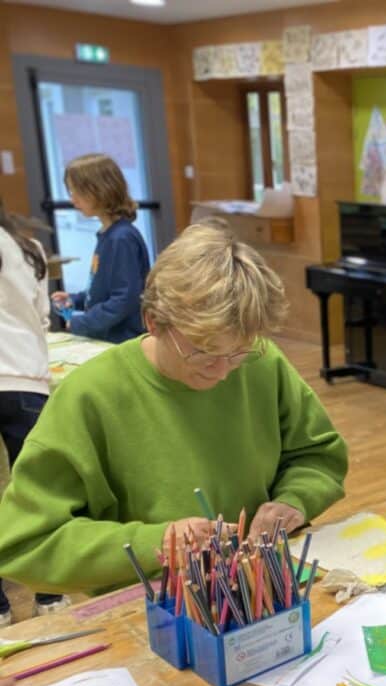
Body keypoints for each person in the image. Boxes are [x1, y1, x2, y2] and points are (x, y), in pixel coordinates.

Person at [0, 219, 348, 593]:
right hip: (151, 604)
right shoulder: (89, 396)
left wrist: (294, 500)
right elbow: (25, 543)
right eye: (202, 354)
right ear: (152, 322)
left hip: (255, 586)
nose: (222, 373)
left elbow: (318, 457)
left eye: (237, 354)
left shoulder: (262, 362)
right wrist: (159, 543)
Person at [0, 204, 68, 621]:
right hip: (26, 378)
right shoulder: (29, 250)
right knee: (37, 493)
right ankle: (49, 596)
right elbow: (43, 317)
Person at [50, 153, 148, 343]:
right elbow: (104, 289)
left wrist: (83, 323)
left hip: (121, 339)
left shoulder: (121, 238)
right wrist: (76, 299)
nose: (73, 200)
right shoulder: (108, 234)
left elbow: (124, 299)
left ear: (100, 190)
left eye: (76, 192)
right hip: (109, 336)